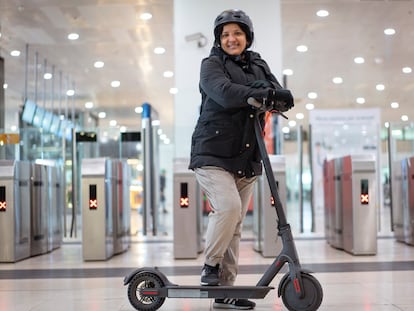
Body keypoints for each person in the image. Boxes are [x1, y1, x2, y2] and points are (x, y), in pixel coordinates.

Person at [188, 9, 294, 310]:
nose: (231, 39)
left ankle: (224, 292)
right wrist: (257, 93)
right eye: (225, 35)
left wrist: (275, 94)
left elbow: (280, 92)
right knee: (229, 208)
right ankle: (210, 267)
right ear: (219, 39)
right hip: (212, 151)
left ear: (247, 36)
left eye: (237, 33)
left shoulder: (259, 63)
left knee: (234, 225)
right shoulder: (210, 64)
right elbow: (222, 92)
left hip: (247, 155)